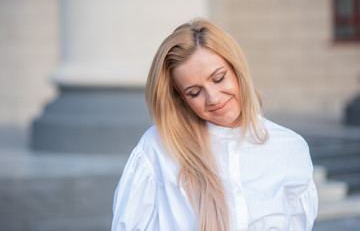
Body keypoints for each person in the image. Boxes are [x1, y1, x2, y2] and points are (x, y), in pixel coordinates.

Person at [111, 18, 318, 231]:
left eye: (218, 78)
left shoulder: (290, 147)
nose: (213, 98)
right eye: (194, 92)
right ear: (181, 98)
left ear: (237, 69)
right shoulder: (157, 148)